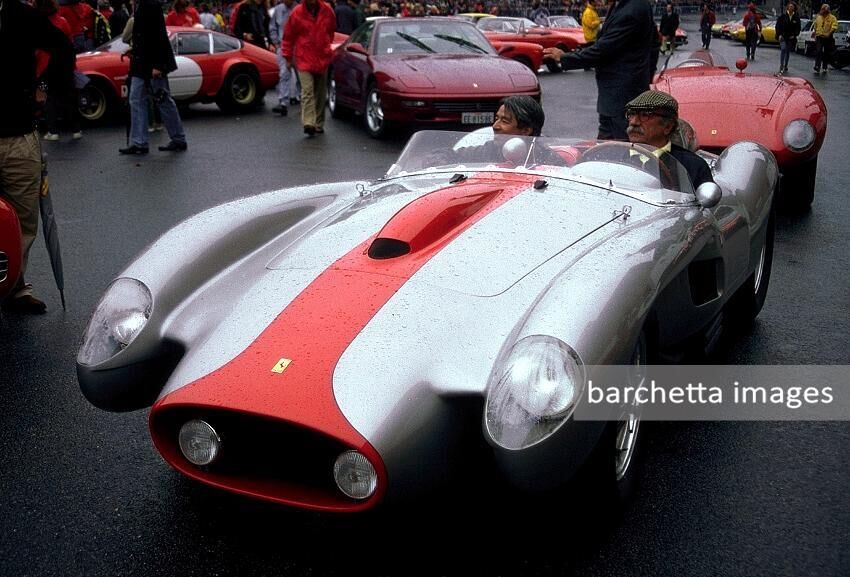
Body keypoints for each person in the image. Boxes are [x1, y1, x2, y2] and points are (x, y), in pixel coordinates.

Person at [1, 0, 74, 313]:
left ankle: (14, 287)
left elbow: (62, 47)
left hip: (18, 137)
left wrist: (43, 84)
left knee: (21, 220)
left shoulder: (22, 14)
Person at [542, 0, 656, 141]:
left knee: (621, 144)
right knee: (606, 143)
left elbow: (603, 50)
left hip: (621, 94)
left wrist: (564, 57)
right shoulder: (630, 5)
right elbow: (654, 44)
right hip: (619, 92)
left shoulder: (631, 10)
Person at [119, 0, 188, 154]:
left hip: (149, 63)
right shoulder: (144, 5)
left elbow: (158, 36)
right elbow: (148, 36)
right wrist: (134, 50)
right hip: (144, 62)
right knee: (143, 99)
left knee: (156, 100)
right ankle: (142, 142)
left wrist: (158, 65)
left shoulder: (149, 5)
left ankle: (147, 141)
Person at [625, 90, 714, 190]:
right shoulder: (614, 156)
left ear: (668, 126)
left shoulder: (691, 166)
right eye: (631, 114)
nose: (633, 122)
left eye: (645, 115)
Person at [281, 0, 335, 136]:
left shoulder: (327, 10)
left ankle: (319, 123)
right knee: (307, 90)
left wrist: (326, 46)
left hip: (322, 57)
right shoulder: (297, 12)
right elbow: (288, 36)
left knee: (320, 92)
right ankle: (309, 122)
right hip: (304, 57)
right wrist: (287, 57)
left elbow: (331, 30)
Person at [269, 0, 297, 115]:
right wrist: (276, 42)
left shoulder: (299, 9)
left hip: (298, 47)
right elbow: (272, 26)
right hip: (283, 45)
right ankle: (283, 102)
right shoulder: (278, 10)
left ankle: (302, 98)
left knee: (302, 75)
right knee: (284, 73)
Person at [775, 2, 801, 74]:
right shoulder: (783, 16)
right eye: (789, 6)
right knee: (783, 49)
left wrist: (795, 35)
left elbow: (798, 28)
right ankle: (781, 65)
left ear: (794, 8)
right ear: (787, 7)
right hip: (783, 36)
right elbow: (778, 26)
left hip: (790, 37)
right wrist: (779, 34)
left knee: (787, 51)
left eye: (792, 7)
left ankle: (785, 65)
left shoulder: (796, 17)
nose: (790, 8)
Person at [812, 3, 837, 74]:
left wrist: (829, 33)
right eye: (822, 9)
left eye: (825, 10)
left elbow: (834, 26)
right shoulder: (818, 17)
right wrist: (814, 33)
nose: (823, 11)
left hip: (828, 37)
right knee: (818, 51)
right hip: (819, 36)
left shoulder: (832, 18)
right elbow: (815, 26)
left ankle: (825, 67)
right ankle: (817, 66)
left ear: (828, 10)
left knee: (826, 52)